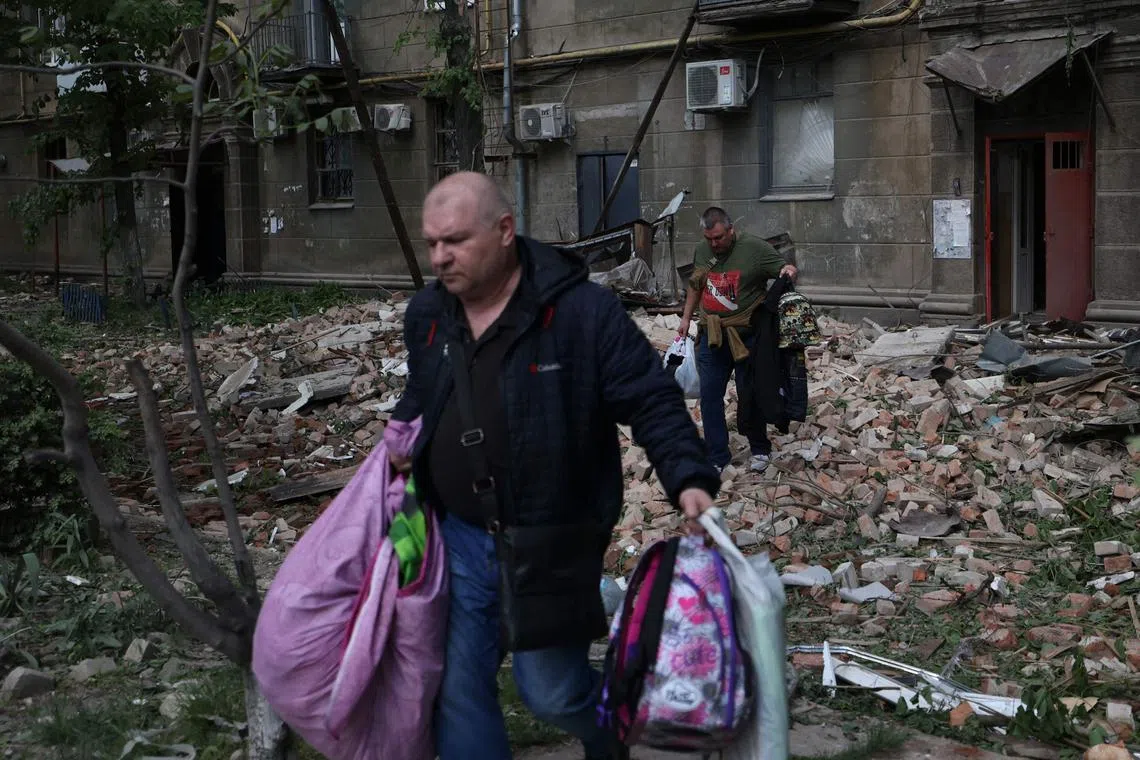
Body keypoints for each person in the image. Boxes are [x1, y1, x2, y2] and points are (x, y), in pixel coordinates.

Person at [390, 172, 721, 760]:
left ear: (505, 231)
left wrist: (688, 477)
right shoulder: (429, 315)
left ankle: (607, 731)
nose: (440, 257)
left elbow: (648, 396)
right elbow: (423, 395)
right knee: (458, 688)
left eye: (456, 241)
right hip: (458, 537)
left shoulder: (580, 313)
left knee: (551, 693)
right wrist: (399, 444)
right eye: (432, 242)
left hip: (554, 539)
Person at [678, 207, 798, 473]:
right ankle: (717, 456)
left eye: (719, 238)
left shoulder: (754, 249)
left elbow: (784, 269)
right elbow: (696, 285)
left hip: (747, 336)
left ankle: (759, 449)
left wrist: (788, 270)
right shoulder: (703, 250)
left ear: (731, 230)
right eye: (709, 238)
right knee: (709, 396)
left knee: (750, 394)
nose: (714, 244)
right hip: (712, 336)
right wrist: (686, 318)